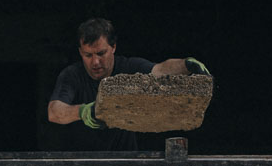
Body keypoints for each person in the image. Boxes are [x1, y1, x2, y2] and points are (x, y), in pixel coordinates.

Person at [47, 18, 206, 147]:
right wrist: (84, 112)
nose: (95, 62)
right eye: (88, 55)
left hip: (126, 160)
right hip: (82, 164)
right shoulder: (72, 75)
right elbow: (54, 112)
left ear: (113, 47)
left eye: (101, 53)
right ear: (80, 52)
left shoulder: (129, 67)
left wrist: (186, 65)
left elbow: (160, 70)